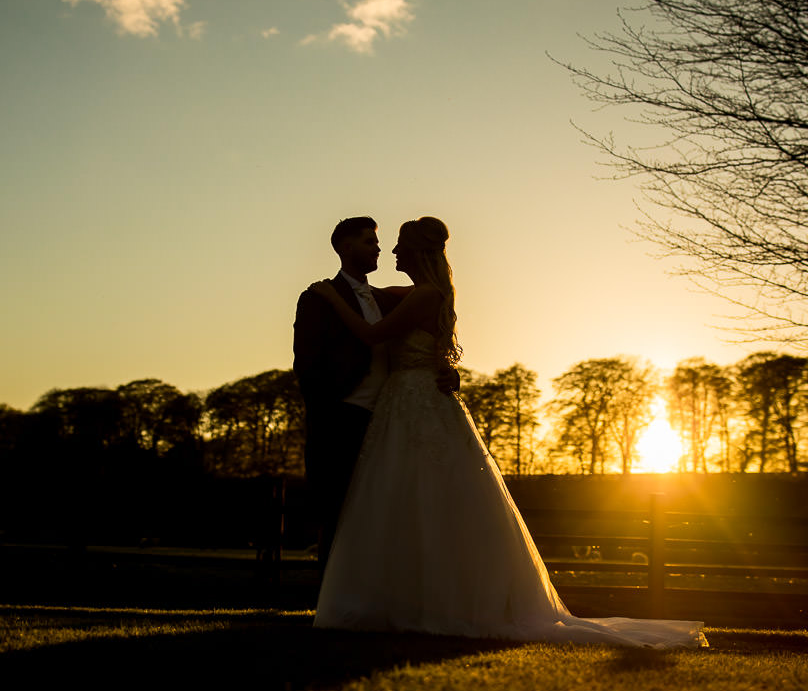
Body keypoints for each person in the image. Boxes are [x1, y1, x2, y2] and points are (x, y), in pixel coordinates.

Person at [307, 216, 707, 649]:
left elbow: (371, 332)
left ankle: (433, 604)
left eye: (401, 245)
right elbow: (376, 298)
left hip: (415, 405)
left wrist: (330, 294)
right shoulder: (415, 294)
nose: (393, 252)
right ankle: (405, 600)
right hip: (404, 405)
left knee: (425, 500)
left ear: (419, 253)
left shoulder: (425, 295)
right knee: (406, 501)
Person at [293, 217, 458, 569]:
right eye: (369, 242)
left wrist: (444, 373)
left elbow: (425, 336)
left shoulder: (391, 299)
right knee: (337, 511)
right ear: (344, 247)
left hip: (390, 419)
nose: (380, 249)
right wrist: (325, 412)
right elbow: (307, 366)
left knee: (382, 513)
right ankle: (331, 606)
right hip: (342, 417)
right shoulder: (317, 299)